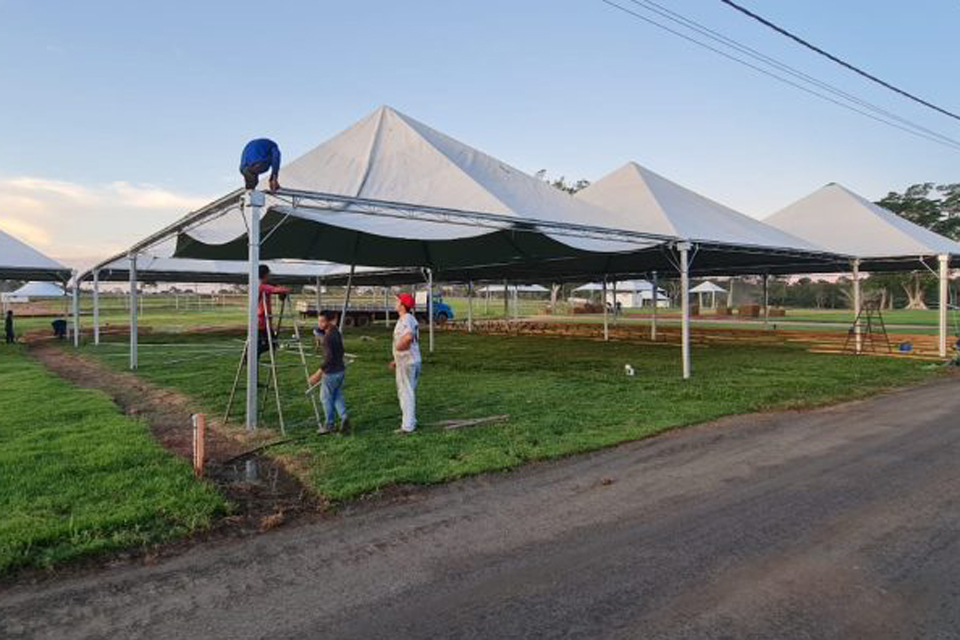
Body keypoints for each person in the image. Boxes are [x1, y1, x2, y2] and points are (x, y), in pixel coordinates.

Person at [308, 311, 350, 435]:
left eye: (323, 321)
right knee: (337, 395)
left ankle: (329, 424)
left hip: (331, 373)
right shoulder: (336, 332)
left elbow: (329, 359)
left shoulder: (327, 338)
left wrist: (317, 374)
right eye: (319, 321)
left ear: (331, 321)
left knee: (325, 398)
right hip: (340, 370)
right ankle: (344, 417)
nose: (320, 324)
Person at [389, 293, 421, 434]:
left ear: (402, 305)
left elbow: (408, 337)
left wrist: (399, 348)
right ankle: (411, 420)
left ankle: (407, 426)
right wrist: (396, 359)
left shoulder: (406, 319)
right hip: (410, 360)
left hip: (407, 361)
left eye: (397, 301)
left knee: (405, 393)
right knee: (409, 392)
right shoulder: (407, 318)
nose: (395, 303)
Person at [257, 265, 290, 358]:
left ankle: (252, 358)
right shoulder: (262, 286)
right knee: (271, 343)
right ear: (265, 274)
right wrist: (284, 289)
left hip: (262, 320)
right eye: (268, 274)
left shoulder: (259, 285)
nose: (270, 276)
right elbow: (274, 289)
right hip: (262, 321)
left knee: (263, 343)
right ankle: (251, 355)